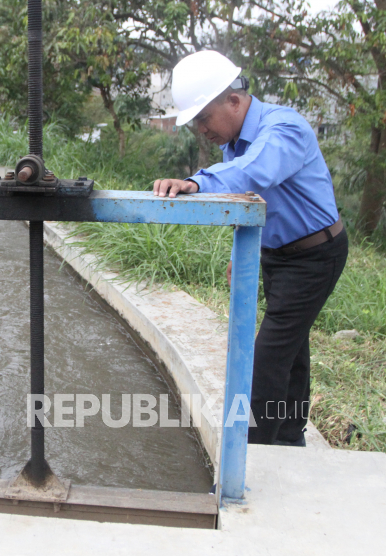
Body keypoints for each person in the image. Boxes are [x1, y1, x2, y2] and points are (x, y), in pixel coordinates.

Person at [152, 50, 347, 447]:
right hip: (277, 254)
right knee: (291, 354)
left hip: (314, 256)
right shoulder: (234, 143)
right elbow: (252, 203)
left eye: (204, 118)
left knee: (268, 358)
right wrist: (242, 253)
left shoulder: (284, 129)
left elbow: (256, 173)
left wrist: (198, 182)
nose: (202, 130)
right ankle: (290, 440)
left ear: (234, 101)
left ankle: (247, 457)